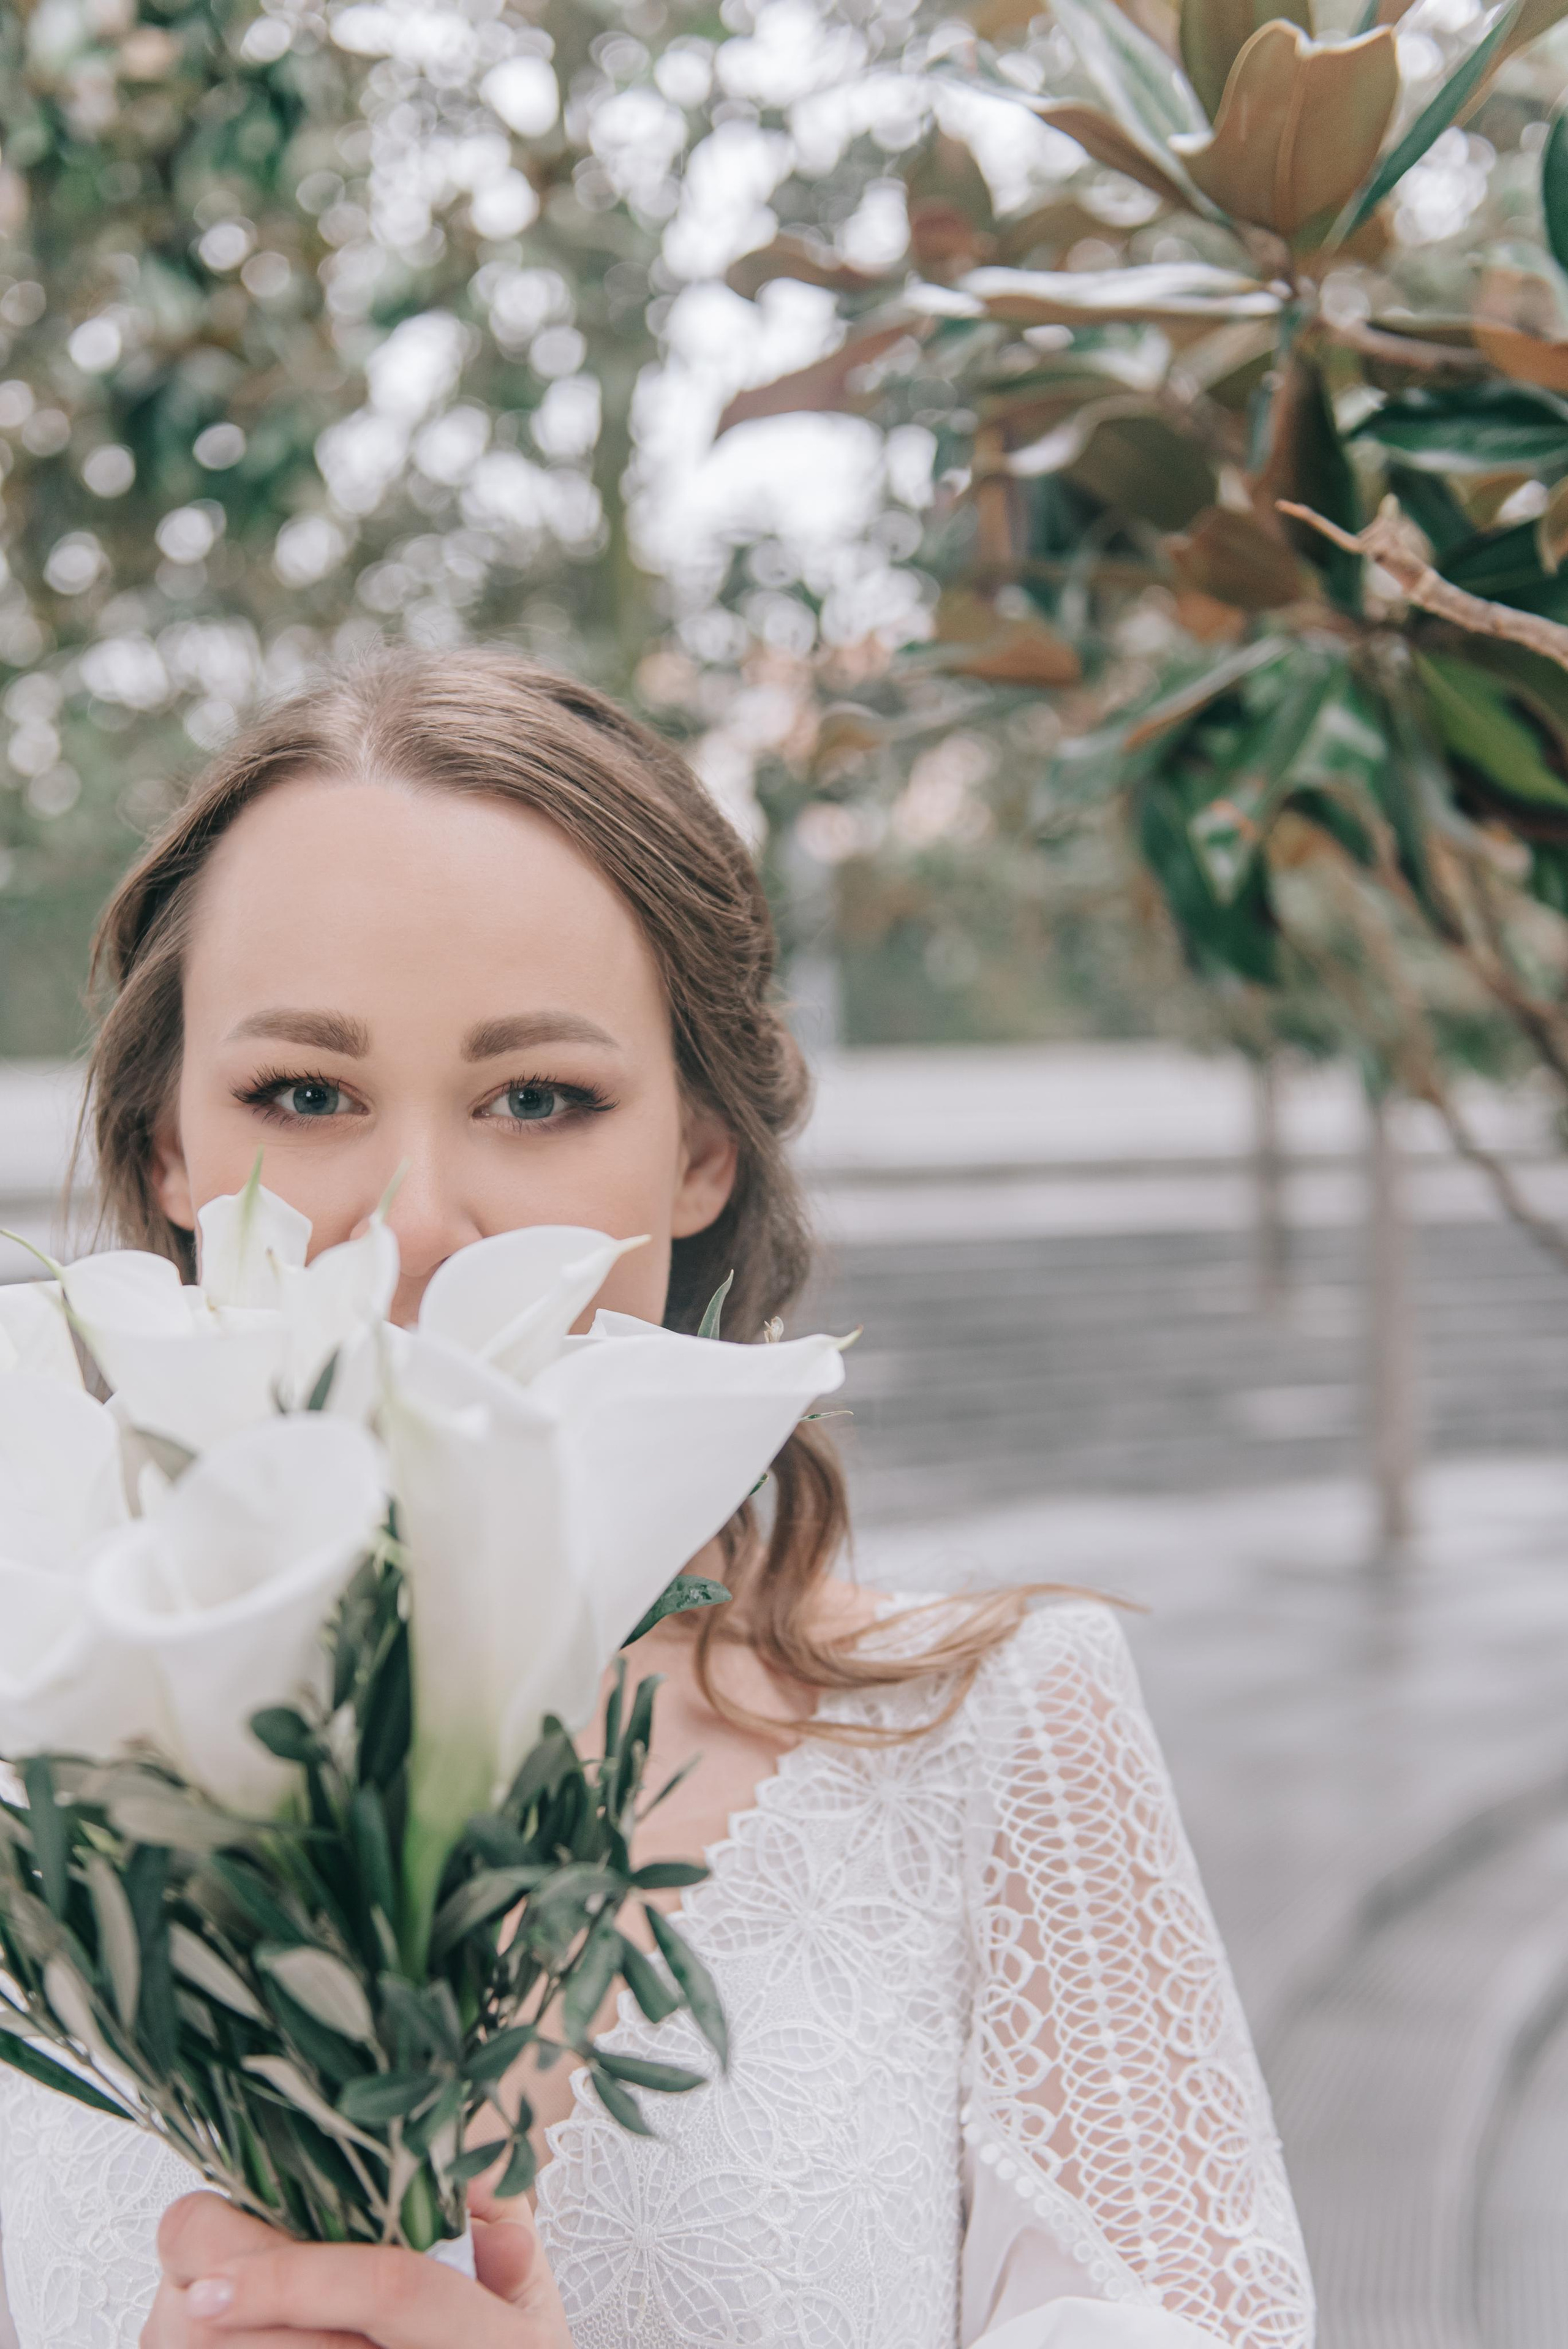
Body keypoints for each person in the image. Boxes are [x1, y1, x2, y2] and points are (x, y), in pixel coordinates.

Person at [0, 652, 1314, 2349]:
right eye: (303, 1095)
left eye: (537, 1096)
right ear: (170, 1146)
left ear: (704, 1147)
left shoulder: (989, 1733)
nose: (411, 1224)